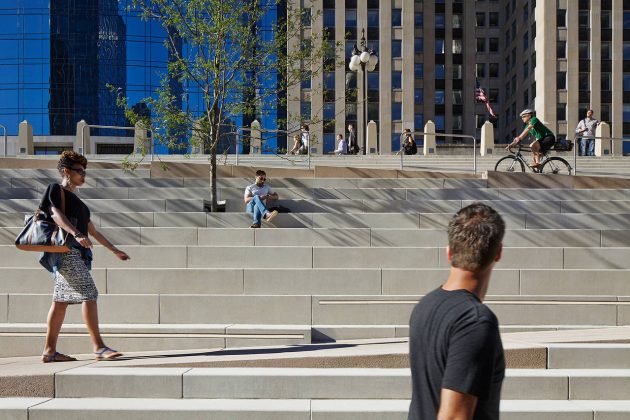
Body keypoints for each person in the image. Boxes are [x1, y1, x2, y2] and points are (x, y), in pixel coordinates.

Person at [408, 203, 505, 420]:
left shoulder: (425, 306)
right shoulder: (476, 322)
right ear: (498, 253)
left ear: (449, 252)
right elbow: (454, 417)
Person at [40, 151, 130, 363]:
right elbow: (55, 214)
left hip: (77, 255)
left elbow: (94, 232)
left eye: (84, 171)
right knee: (90, 293)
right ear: (66, 171)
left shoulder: (79, 203)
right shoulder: (56, 189)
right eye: (80, 171)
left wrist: (114, 250)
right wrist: (76, 234)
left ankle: (49, 351)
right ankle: (98, 347)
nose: (84, 176)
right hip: (66, 252)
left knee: (60, 301)